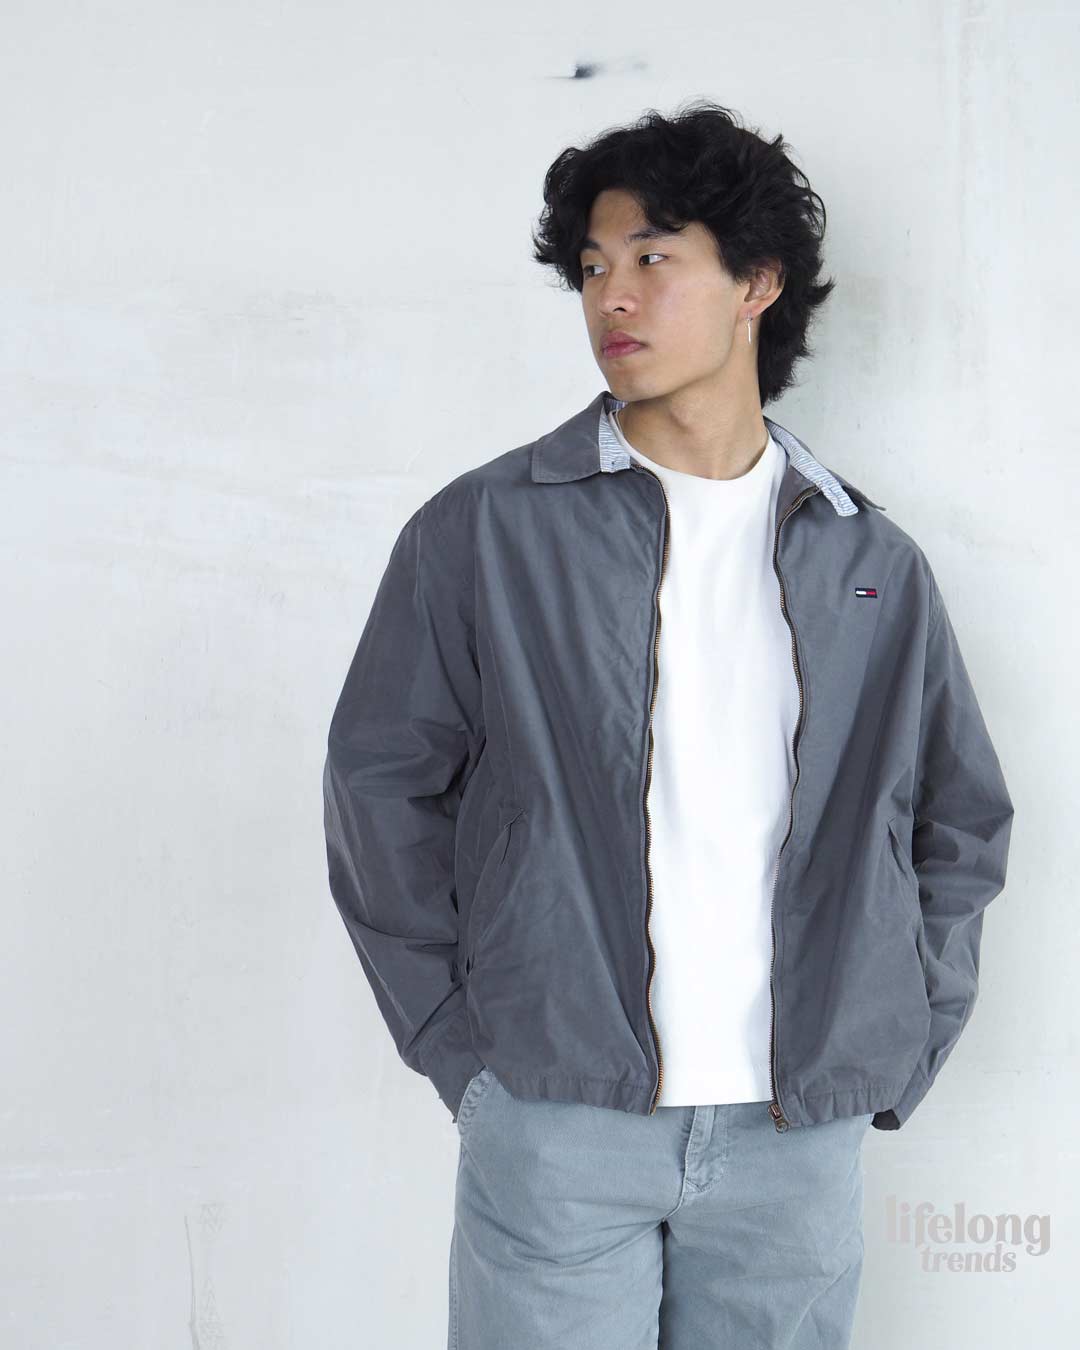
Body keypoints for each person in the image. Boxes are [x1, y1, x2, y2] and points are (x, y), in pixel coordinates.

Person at [321, 100, 1014, 1349]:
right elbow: (379, 785)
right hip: (557, 1115)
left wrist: (902, 1032)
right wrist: (461, 1054)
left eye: (653, 256)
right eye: (594, 267)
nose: (613, 297)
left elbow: (958, 818)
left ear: (757, 283)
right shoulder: (488, 530)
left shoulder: (869, 561)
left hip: (797, 1132)